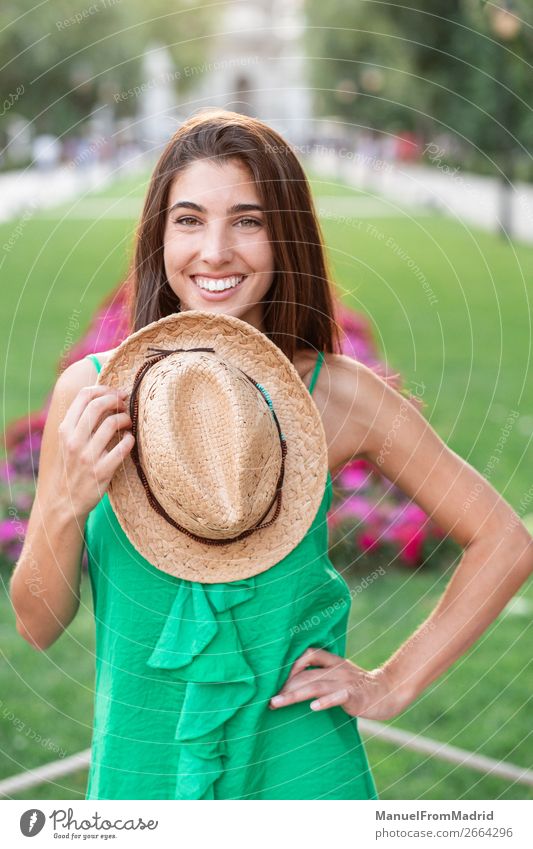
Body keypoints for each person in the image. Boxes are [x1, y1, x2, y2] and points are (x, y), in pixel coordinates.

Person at [10, 108, 533, 800]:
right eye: (189, 220)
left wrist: (392, 681)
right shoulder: (94, 392)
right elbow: (37, 623)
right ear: (158, 236)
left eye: (248, 221)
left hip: (304, 774)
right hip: (144, 775)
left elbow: (502, 539)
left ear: (283, 236)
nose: (216, 251)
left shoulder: (336, 394)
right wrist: (66, 502)